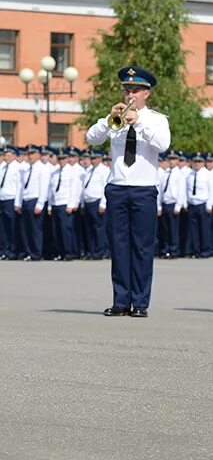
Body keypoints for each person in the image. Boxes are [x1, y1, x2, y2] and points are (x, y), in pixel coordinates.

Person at [85, 66, 171, 317]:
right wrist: (106, 119)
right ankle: (121, 301)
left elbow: (163, 145)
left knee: (143, 247)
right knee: (119, 246)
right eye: (127, 90)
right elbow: (91, 138)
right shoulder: (116, 119)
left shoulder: (156, 119)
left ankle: (140, 302)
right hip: (118, 188)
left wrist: (140, 122)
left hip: (144, 189)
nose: (130, 94)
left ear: (147, 93)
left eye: (135, 90)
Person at [15, 145, 50, 261]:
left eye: (32, 154)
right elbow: (21, 187)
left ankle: (36, 252)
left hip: (35, 200)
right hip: (26, 200)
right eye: (28, 154)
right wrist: (18, 203)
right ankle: (28, 251)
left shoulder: (42, 168)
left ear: (38, 155)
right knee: (26, 229)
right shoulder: (26, 169)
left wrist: (40, 204)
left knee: (36, 229)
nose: (29, 156)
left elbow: (43, 188)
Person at [48, 147, 83, 261]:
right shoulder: (55, 172)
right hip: (56, 203)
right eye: (59, 158)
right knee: (56, 230)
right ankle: (60, 252)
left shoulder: (72, 171)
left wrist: (71, 204)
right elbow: (51, 190)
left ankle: (69, 252)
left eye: (63, 158)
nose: (61, 160)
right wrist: (50, 205)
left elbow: (74, 189)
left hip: (65, 203)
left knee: (66, 230)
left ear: (67, 159)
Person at [80, 149, 110, 260]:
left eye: (94, 158)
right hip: (88, 202)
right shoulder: (89, 171)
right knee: (89, 229)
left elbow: (105, 188)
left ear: (100, 159)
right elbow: (84, 188)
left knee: (99, 228)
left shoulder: (104, 170)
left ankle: (99, 251)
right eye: (91, 158)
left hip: (97, 201)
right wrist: (83, 204)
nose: (92, 160)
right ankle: (91, 251)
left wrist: (103, 203)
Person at [0, 145, 23, 259]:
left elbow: (20, 186)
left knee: (13, 227)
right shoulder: (3, 167)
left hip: (12, 199)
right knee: (3, 227)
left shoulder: (18, 168)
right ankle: (5, 249)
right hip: (2, 199)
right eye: (5, 155)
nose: (6, 157)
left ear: (14, 155)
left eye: (8, 155)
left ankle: (14, 250)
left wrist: (17, 203)